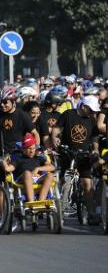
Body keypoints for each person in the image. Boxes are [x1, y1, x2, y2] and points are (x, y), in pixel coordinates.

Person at [54, 95, 104, 224]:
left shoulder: (92, 120)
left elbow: (94, 139)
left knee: (87, 184)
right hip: (68, 153)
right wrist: (55, 139)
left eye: (94, 111)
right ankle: (59, 206)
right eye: (91, 110)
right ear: (83, 106)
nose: (93, 113)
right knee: (63, 180)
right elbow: (56, 129)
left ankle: (91, 212)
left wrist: (95, 150)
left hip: (84, 155)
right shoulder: (68, 114)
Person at [3, 134, 55, 202]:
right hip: (23, 179)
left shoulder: (39, 158)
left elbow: (52, 167)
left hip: (37, 178)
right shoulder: (18, 159)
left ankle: (40, 201)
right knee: (27, 173)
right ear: (24, 149)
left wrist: (38, 169)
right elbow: (8, 169)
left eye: (33, 148)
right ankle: (31, 202)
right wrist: (4, 162)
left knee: (50, 175)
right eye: (29, 148)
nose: (32, 151)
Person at [0, 86, 39, 156]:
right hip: (3, 154)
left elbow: (35, 134)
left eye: (5, 102)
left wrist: (36, 149)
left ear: (12, 101)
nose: (2, 105)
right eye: (1, 102)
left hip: (19, 154)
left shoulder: (22, 115)